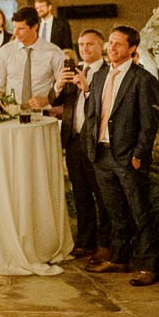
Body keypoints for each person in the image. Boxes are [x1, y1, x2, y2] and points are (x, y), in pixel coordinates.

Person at [85, 26, 159, 286]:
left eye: (118, 44)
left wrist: (139, 154)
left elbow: (149, 122)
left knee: (140, 211)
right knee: (115, 211)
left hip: (128, 156)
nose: (112, 48)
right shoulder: (100, 76)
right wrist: (91, 148)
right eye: (110, 42)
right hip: (102, 153)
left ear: (132, 49)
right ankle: (119, 258)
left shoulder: (143, 79)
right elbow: (94, 113)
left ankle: (148, 266)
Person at [55, 30, 111, 262]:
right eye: (81, 45)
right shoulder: (74, 70)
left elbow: (105, 105)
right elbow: (54, 101)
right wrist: (58, 85)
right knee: (80, 193)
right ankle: (85, 241)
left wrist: (88, 89)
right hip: (74, 139)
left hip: (96, 141)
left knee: (102, 195)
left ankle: (105, 243)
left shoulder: (107, 73)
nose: (85, 49)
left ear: (101, 46)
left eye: (90, 45)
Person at [0, 7, 63, 110]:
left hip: (43, 114)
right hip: (12, 115)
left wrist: (46, 100)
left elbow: (63, 86)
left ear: (34, 27)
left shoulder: (53, 53)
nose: (15, 33)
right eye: (14, 27)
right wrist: (2, 104)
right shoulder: (5, 52)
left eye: (21, 29)